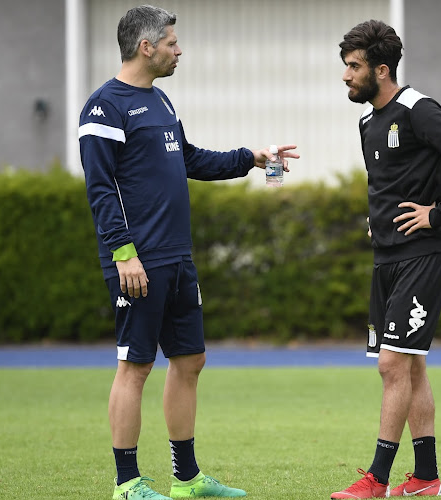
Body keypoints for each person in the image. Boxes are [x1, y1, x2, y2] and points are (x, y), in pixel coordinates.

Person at [78, 5, 298, 500]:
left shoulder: (161, 102)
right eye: (173, 43)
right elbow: (99, 189)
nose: (180, 51)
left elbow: (189, 157)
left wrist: (250, 158)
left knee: (190, 360)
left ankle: (187, 479)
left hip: (178, 257)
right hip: (138, 259)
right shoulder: (102, 108)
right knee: (134, 367)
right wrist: (123, 252)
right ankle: (127, 483)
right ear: (146, 46)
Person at [331, 20, 441, 499]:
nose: (346, 76)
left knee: (392, 365)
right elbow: (387, 185)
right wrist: (375, 220)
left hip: (422, 257)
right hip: (386, 260)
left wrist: (439, 213)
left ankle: (375, 479)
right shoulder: (365, 122)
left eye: (353, 67)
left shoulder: (418, 109)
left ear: (381, 69)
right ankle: (425, 477)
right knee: (411, 366)